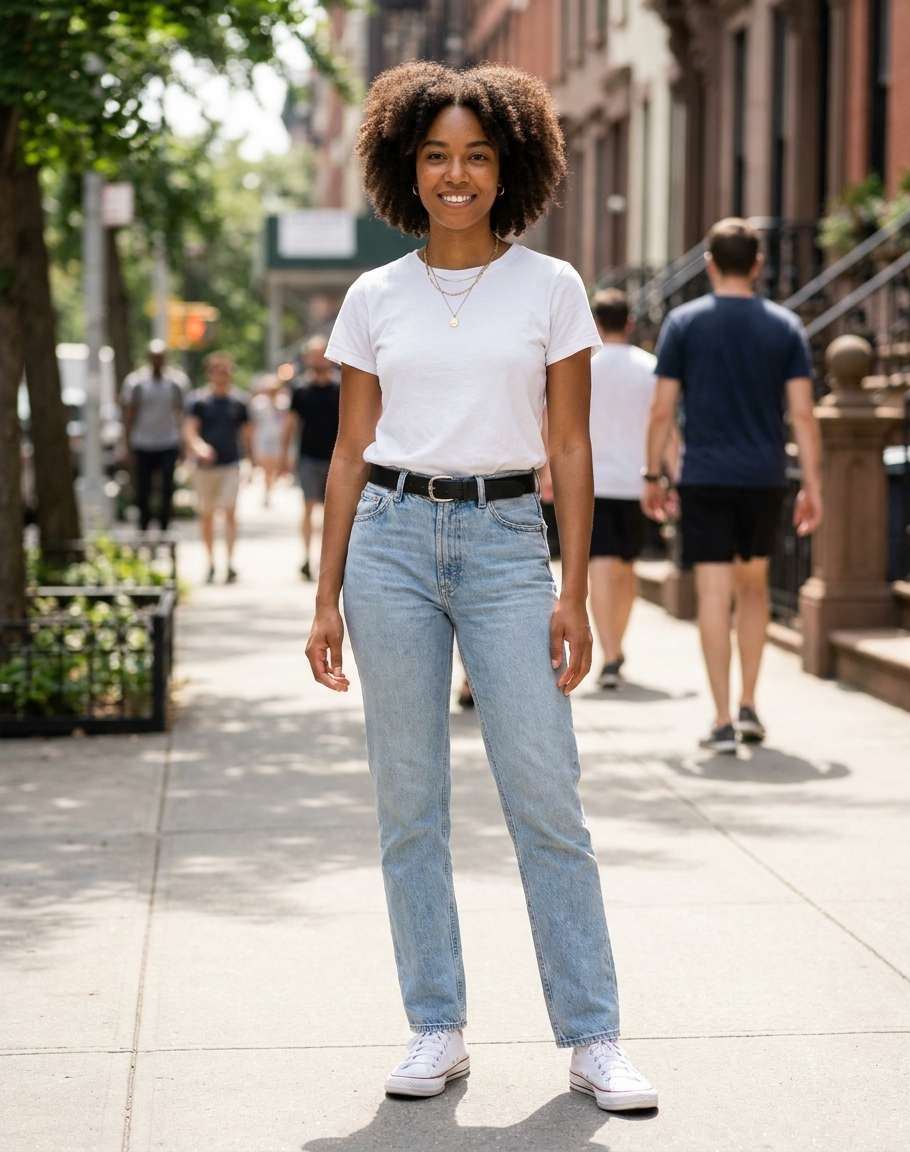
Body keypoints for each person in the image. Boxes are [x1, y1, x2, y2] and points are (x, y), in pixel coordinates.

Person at [305, 61, 657, 1113]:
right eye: (436, 156)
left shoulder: (551, 287)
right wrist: (324, 596)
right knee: (408, 806)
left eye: (476, 156)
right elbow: (346, 455)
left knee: (546, 799)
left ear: (509, 170)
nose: (456, 175)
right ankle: (435, 1026)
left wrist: (575, 591)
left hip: (509, 541)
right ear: (404, 169)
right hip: (389, 545)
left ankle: (593, 1036)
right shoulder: (374, 296)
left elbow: (574, 450)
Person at [643, 217, 822, 752]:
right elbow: (804, 415)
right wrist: (813, 484)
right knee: (754, 589)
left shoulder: (683, 324)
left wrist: (653, 474)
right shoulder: (785, 327)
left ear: (711, 264)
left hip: (704, 477)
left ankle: (720, 718)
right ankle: (748, 704)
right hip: (763, 477)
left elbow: (661, 410)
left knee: (714, 595)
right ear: (759, 265)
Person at [587, 288, 671, 688]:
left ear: (596, 323)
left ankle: (609, 652)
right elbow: (664, 420)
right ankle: (616, 646)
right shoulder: (650, 367)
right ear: (631, 323)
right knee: (626, 567)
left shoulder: (585, 367)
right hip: (637, 482)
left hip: (593, 482)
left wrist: (548, 474)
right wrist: (673, 473)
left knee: (599, 567)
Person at [184, 352, 252, 584]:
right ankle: (211, 562)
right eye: (217, 370)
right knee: (207, 514)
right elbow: (190, 431)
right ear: (210, 373)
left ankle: (230, 563)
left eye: (226, 370)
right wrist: (199, 447)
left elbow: (247, 435)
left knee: (230, 511)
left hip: (230, 464)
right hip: (204, 468)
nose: (222, 375)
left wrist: (251, 462)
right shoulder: (199, 401)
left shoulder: (239, 402)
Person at [281, 337, 340, 580]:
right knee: (307, 508)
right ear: (307, 359)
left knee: (333, 512)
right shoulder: (300, 390)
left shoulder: (341, 388)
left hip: (336, 459)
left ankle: (330, 561)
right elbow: (291, 424)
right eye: (314, 354)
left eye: (322, 354)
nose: (318, 359)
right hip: (308, 457)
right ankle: (306, 557)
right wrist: (285, 456)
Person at [120, 339, 188, 532]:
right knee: (143, 487)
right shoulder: (136, 382)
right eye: (155, 357)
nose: (158, 361)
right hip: (143, 442)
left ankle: (165, 524)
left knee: (167, 486)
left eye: (161, 357)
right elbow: (129, 415)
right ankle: (143, 525)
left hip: (168, 441)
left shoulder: (176, 382)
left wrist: (183, 445)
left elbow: (180, 414)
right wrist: (126, 444)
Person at [249, 373, 289, 506]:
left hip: (279, 439)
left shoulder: (284, 401)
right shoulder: (258, 403)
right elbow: (253, 423)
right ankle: (267, 492)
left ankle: (270, 488)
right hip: (263, 438)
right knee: (267, 468)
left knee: (275, 468)